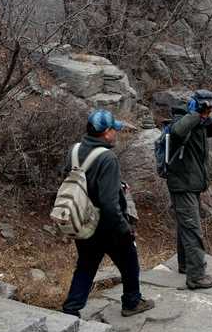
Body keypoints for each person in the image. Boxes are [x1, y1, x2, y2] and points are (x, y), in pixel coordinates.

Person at [61, 110, 155, 318]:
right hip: (106, 226)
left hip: (83, 220)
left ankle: (71, 308)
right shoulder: (108, 158)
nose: (117, 133)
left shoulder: (74, 150)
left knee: (86, 265)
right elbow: (110, 204)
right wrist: (125, 230)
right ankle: (132, 302)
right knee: (130, 261)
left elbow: (71, 178)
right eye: (114, 129)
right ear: (105, 132)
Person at [165, 90, 212, 290]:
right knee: (193, 229)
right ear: (196, 106)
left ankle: (186, 265)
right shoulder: (183, 121)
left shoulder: (200, 126)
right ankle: (196, 277)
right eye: (207, 107)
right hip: (183, 184)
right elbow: (177, 131)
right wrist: (197, 113)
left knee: (186, 227)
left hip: (191, 184)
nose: (209, 112)